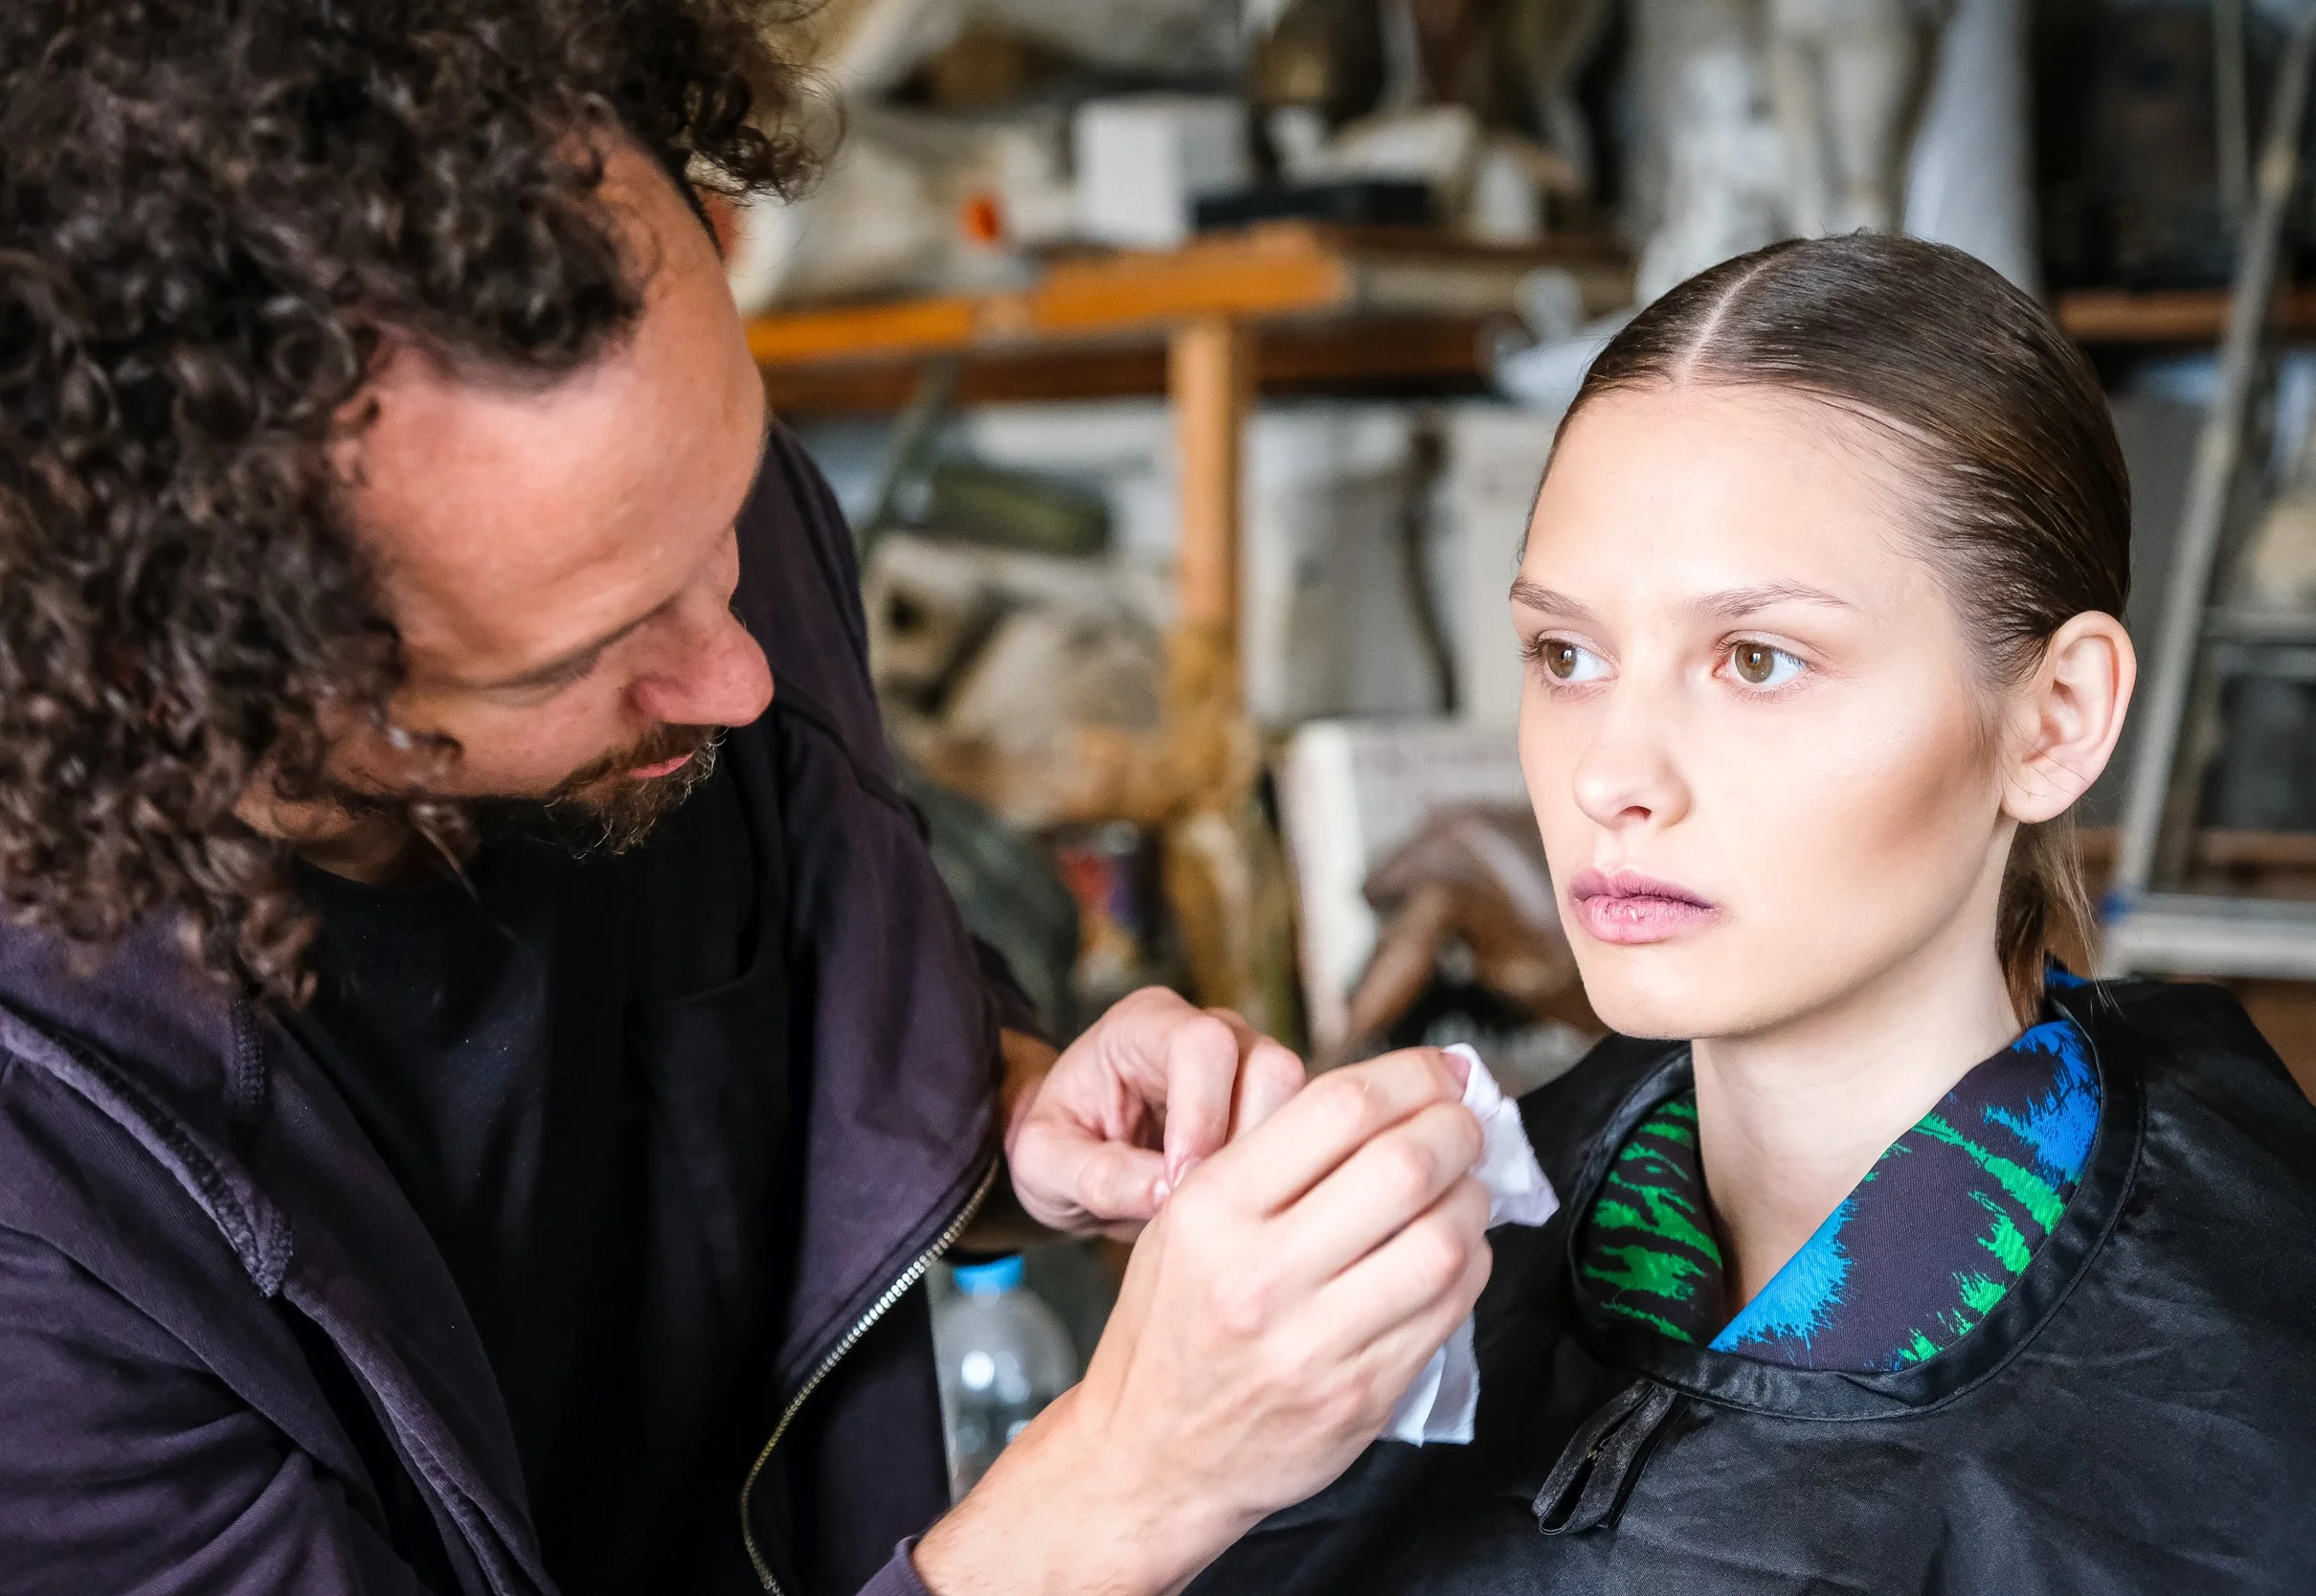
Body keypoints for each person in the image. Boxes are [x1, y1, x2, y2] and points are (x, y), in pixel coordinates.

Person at [0, 6, 1495, 1595]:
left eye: (730, 512)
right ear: (189, 672)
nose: (736, 672)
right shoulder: (44, 1235)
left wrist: (1002, 1113)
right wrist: (1128, 1487)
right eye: (588, 649)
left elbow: (740, 1008)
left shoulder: (687, 537)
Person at [1187, 235, 2316, 1595]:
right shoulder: (1416, 1270)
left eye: (1757, 659)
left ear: (2055, 721)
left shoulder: (2303, 1444)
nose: (1610, 774)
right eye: (1566, 654)